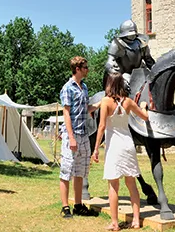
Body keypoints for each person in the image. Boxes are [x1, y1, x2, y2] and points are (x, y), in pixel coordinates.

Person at [92, 72, 149, 230]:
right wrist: (144, 106)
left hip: (114, 147)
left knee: (113, 186)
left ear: (110, 84)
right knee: (131, 184)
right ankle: (136, 221)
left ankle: (115, 223)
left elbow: (102, 127)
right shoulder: (129, 102)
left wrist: (96, 148)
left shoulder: (105, 102)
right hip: (128, 145)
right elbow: (145, 117)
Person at [59, 56, 99, 219]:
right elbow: (66, 112)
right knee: (67, 171)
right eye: (85, 67)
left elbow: (86, 109)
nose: (88, 70)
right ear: (77, 69)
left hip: (84, 134)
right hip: (72, 134)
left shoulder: (84, 87)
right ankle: (65, 207)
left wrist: (101, 103)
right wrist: (71, 137)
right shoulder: (68, 88)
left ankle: (78, 205)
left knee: (80, 172)